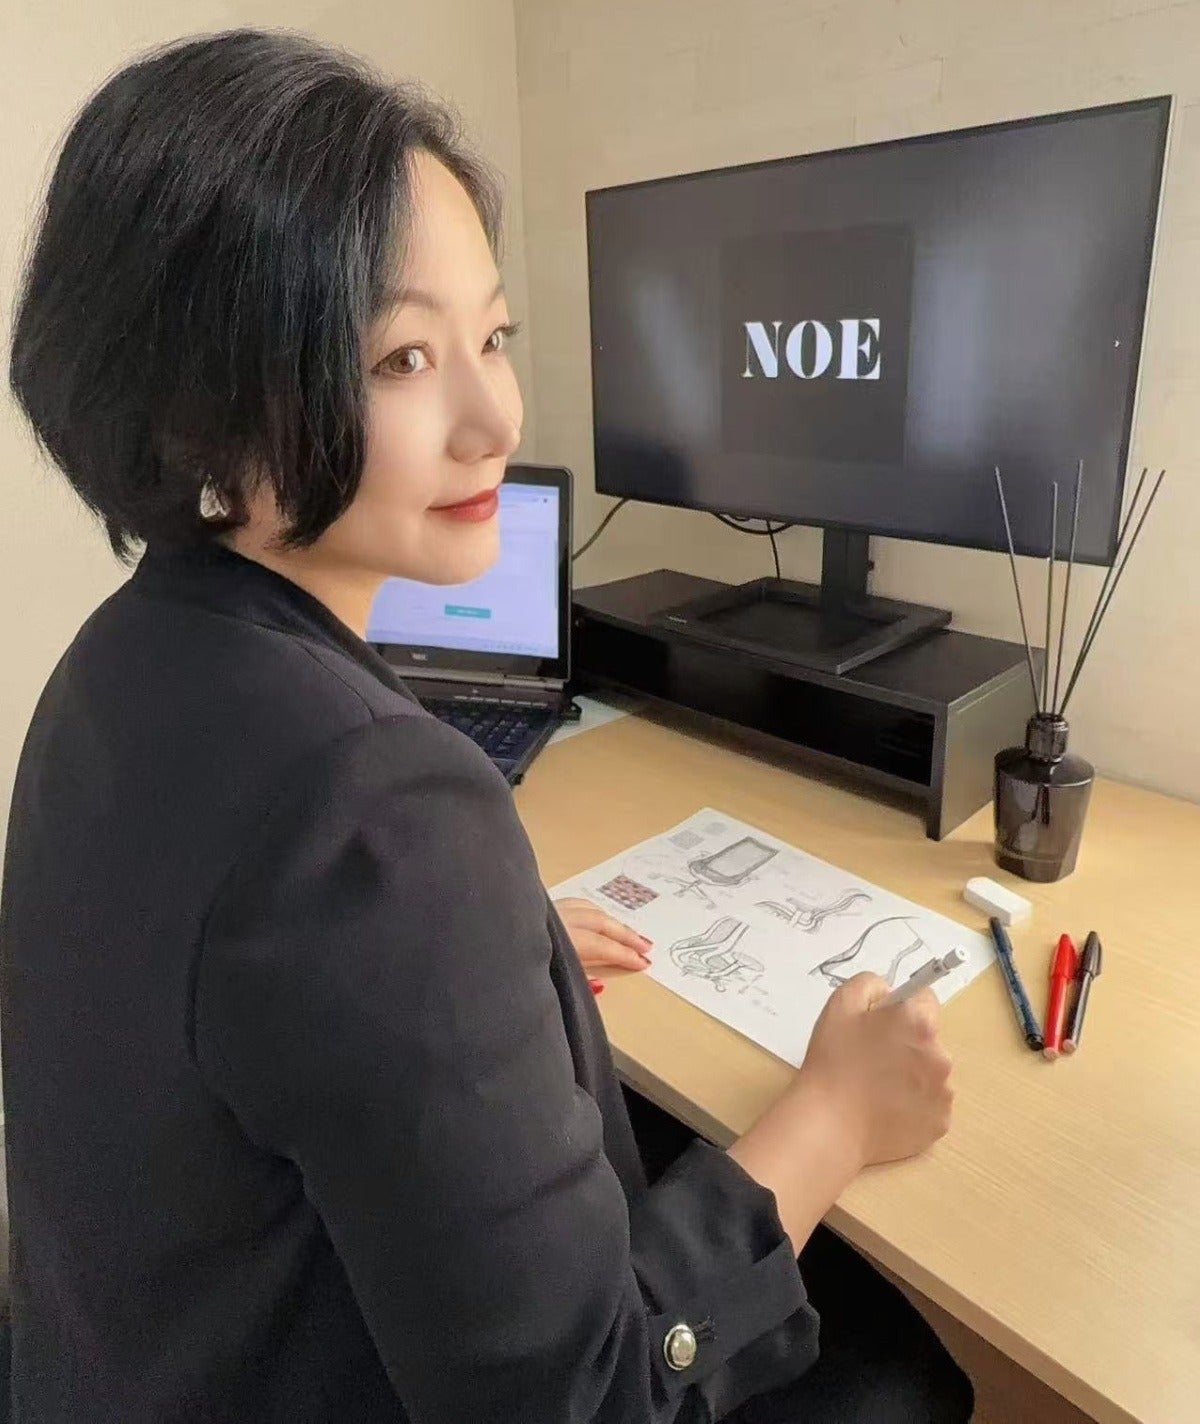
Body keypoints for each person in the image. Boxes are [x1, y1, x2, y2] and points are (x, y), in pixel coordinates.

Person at [1, 27, 973, 1423]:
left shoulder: (122, 666)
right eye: (402, 357)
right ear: (202, 420)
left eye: (493, 337)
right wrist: (835, 1112)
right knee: (905, 1371)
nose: (494, 418)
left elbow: (263, 986)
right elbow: (592, 1394)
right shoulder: (371, 799)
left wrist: (474, 960)